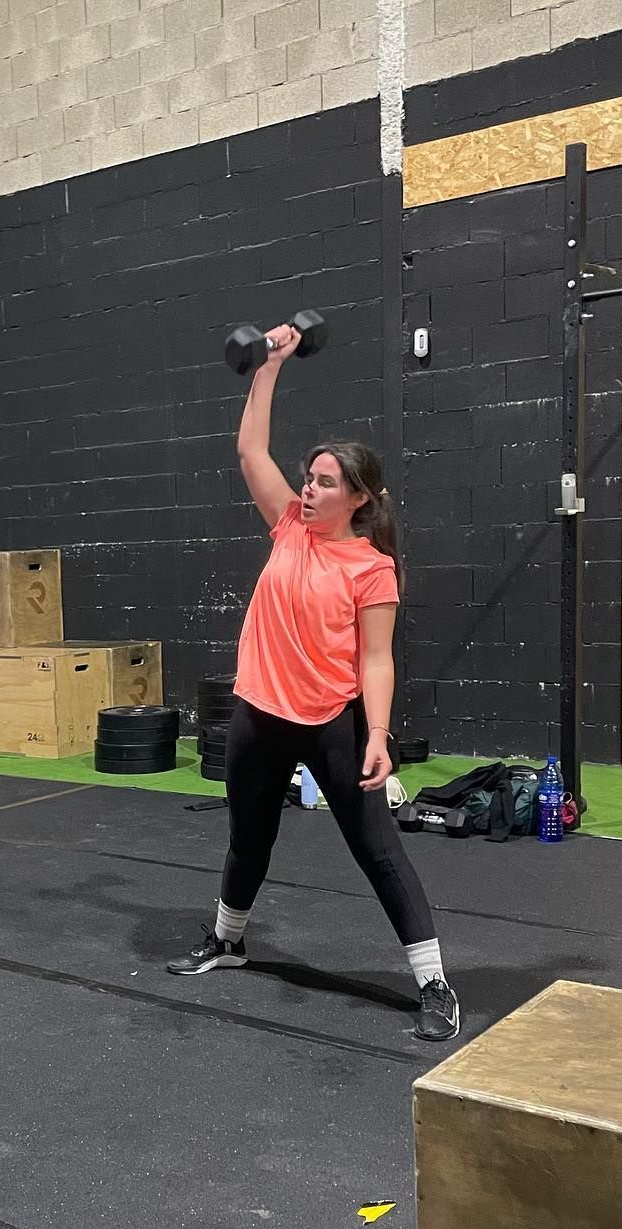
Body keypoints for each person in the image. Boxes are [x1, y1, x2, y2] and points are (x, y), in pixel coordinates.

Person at [169, 323, 460, 1043]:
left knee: (378, 851)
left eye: (326, 482)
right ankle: (229, 942)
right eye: (310, 476)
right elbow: (248, 451)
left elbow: (377, 662)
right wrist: (270, 365)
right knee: (249, 840)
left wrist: (381, 736)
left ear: (359, 498)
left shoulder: (371, 567)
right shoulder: (288, 527)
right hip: (257, 716)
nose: (309, 487)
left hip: (333, 723)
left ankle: (434, 986)